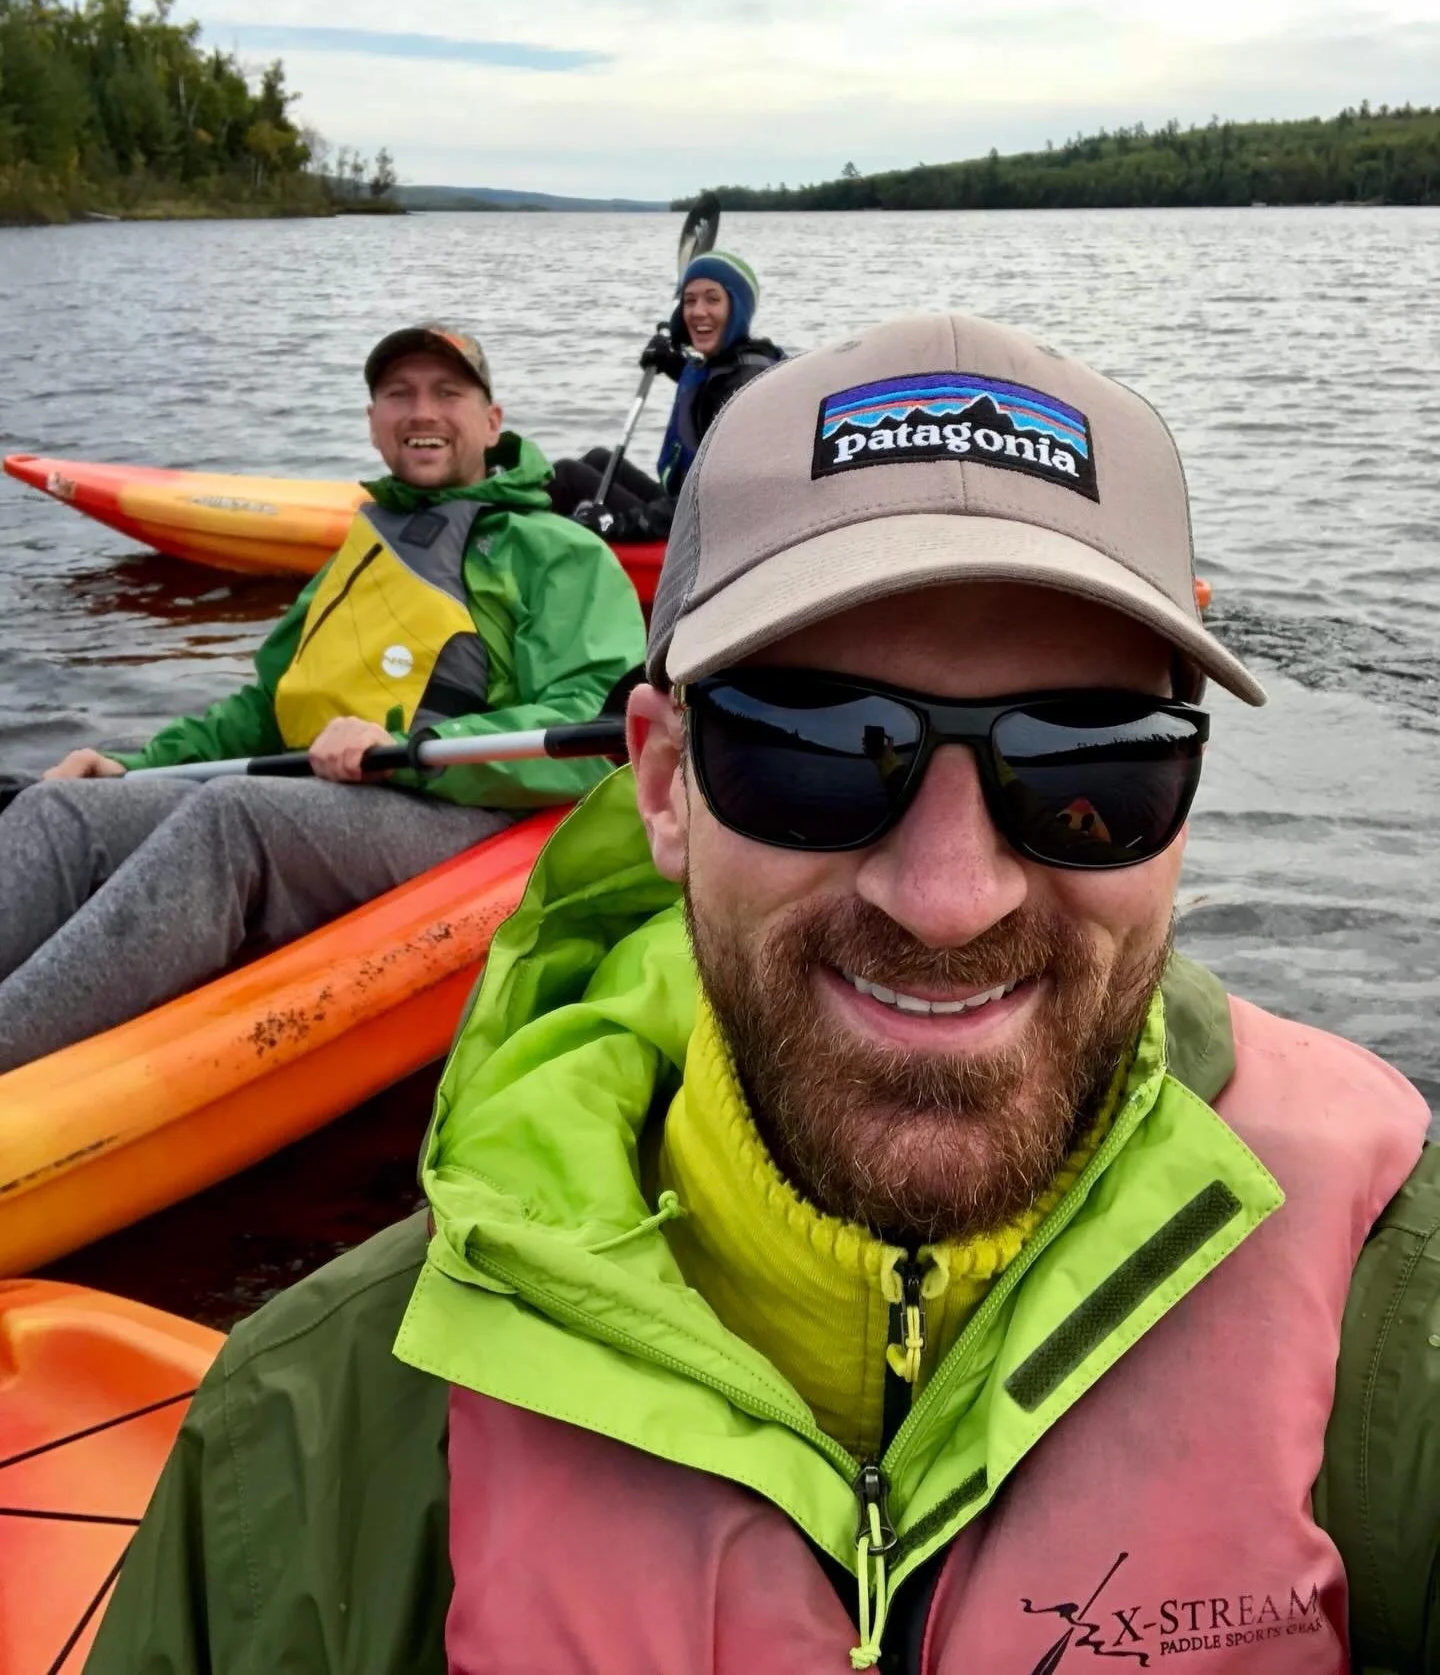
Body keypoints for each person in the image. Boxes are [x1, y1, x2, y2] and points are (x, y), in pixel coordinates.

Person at [88, 313, 1439, 1673]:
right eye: (817, 753)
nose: (950, 896)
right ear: (665, 785)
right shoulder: (307, 1447)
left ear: (1188, 804)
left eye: (1092, 767)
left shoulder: (1393, 1319)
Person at [0, 324, 645, 1066]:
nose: (422, 411)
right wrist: (133, 762)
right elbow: (267, 706)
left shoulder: (556, 552)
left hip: (469, 809)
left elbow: (596, 732)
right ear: (374, 424)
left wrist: (403, 750)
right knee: (62, 808)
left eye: (448, 392)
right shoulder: (364, 544)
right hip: (330, 796)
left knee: (231, 818)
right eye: (398, 394)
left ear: (491, 421)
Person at [550, 249, 784, 540]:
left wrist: (617, 524)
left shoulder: (744, 389)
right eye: (689, 301)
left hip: (704, 532)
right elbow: (706, 390)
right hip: (688, 508)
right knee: (598, 458)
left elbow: (715, 500)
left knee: (565, 476)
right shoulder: (732, 361)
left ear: (737, 309)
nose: (698, 311)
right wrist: (672, 363)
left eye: (713, 299)